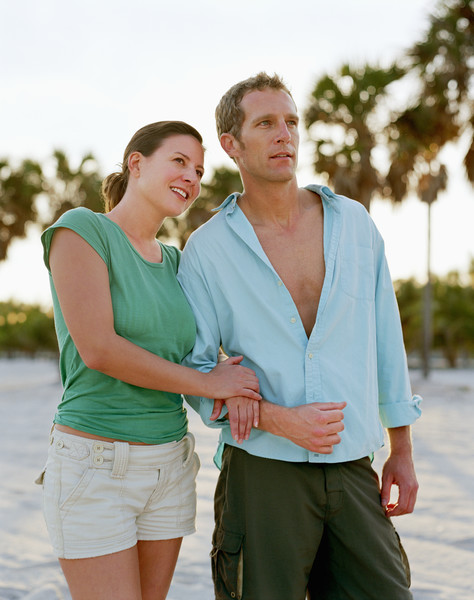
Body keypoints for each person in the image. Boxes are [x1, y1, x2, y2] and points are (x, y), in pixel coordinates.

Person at [177, 74, 422, 600]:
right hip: (263, 472)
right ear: (232, 145)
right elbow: (194, 372)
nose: (284, 134)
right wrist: (276, 418)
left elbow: (385, 335)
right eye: (265, 123)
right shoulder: (206, 249)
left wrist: (400, 446)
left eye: (291, 122)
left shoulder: (354, 223)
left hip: (354, 463)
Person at [36, 121, 261, 600]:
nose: (192, 178)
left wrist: (233, 381)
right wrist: (211, 385)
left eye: (199, 170)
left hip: (169, 464)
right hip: (95, 466)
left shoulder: (177, 262)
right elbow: (99, 349)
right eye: (179, 161)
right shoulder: (81, 230)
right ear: (136, 164)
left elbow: (197, 356)